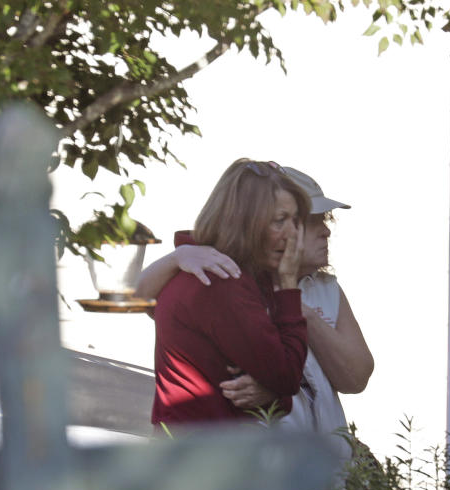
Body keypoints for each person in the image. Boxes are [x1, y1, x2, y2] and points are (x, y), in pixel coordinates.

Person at [137, 166, 373, 441]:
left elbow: (356, 378)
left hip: (324, 468)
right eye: (312, 220)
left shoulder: (325, 288)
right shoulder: (221, 279)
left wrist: (300, 311)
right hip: (260, 465)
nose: (326, 232)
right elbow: (140, 298)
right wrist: (178, 257)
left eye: (325, 219)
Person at [146, 159, 311, 428]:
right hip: (207, 453)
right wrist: (289, 285)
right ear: (244, 222)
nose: (292, 235)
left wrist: (274, 393)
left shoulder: (200, 267)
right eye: (280, 221)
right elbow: (287, 376)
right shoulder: (224, 281)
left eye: (295, 221)